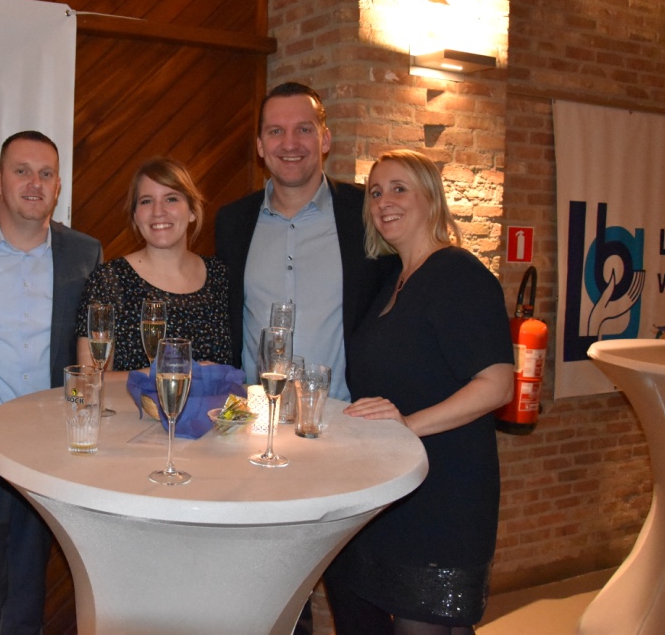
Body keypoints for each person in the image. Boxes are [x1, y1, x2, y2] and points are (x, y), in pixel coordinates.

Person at [325, 149, 513, 634]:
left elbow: (497, 384)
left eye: (399, 188)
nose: (384, 201)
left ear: (430, 197)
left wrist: (408, 424)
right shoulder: (393, 279)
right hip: (400, 487)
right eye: (375, 192)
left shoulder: (458, 273)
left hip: (446, 490)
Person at [0, 130, 102, 635]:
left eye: (46, 173)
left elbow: (92, 349)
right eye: (22, 171)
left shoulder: (84, 253)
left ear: (58, 187)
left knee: (29, 595)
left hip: (47, 454)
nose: (35, 183)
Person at [214, 81, 393, 397]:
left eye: (304, 130)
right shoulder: (232, 222)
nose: (290, 143)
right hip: (257, 413)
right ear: (260, 146)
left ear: (325, 139)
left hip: (346, 414)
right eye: (276, 131)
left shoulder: (366, 213)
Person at [74, 157, 233, 378]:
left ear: (192, 211)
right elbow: (90, 378)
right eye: (146, 201)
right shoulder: (109, 280)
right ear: (135, 216)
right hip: (132, 403)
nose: (159, 211)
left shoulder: (220, 276)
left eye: (171, 199)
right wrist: (173, 373)